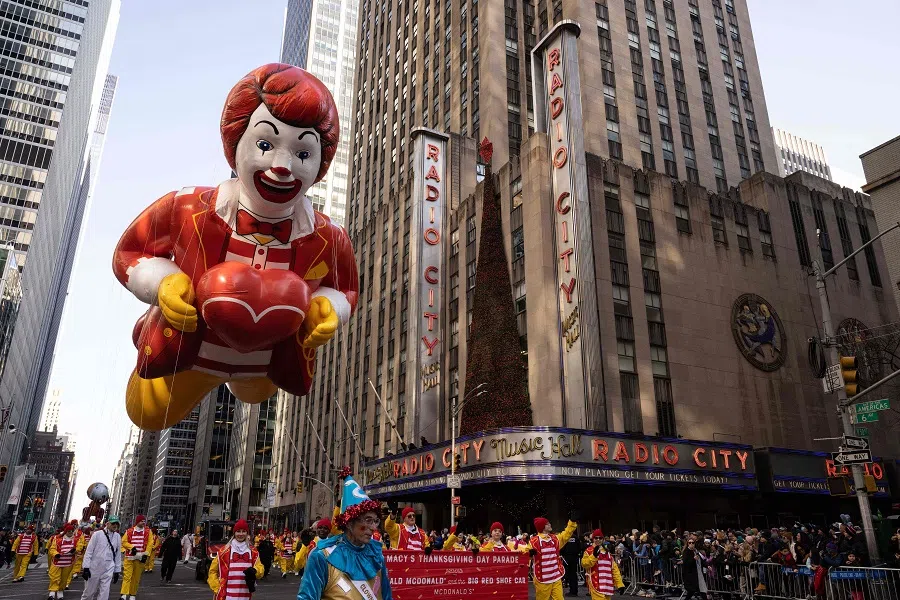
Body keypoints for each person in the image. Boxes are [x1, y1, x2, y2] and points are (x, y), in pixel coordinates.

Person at [112, 63, 358, 432]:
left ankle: (246, 378)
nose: (282, 166)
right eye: (265, 144)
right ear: (235, 143)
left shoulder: (328, 235)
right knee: (144, 412)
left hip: (264, 365)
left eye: (303, 154)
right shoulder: (187, 207)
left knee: (256, 393)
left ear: (320, 163)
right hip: (187, 352)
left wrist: (329, 309)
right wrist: (164, 283)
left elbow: (346, 288)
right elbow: (129, 252)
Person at [297, 467, 392, 599]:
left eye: (375, 521)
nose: (373, 527)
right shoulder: (322, 557)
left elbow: (387, 596)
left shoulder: (377, 556)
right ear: (349, 523)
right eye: (368, 520)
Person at [208, 519, 264, 600]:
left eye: (243, 531)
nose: (241, 534)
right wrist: (218, 588)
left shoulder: (253, 552)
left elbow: (260, 569)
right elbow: (212, 571)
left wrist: (255, 571)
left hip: (245, 595)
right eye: (238, 531)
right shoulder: (223, 551)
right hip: (226, 596)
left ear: (247, 533)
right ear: (234, 533)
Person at [529, 513, 579, 600]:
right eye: (547, 524)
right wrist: (529, 554)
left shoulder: (555, 539)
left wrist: (572, 522)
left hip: (556, 577)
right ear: (542, 527)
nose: (550, 524)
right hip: (542, 579)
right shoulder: (533, 542)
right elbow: (523, 554)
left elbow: (566, 534)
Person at [81, 516, 123, 600]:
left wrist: (117, 571)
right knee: (89, 593)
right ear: (107, 524)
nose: (115, 525)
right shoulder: (97, 534)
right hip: (94, 568)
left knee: (104, 593)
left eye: (117, 524)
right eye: (113, 523)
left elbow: (118, 554)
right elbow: (89, 551)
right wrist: (86, 568)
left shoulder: (118, 536)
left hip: (108, 568)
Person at [581, 530, 624, 600]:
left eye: (600, 538)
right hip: (596, 584)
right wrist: (594, 556)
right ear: (593, 539)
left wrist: (620, 584)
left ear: (603, 539)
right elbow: (584, 564)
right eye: (596, 538)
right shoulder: (588, 551)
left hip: (607, 585)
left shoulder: (607, 553)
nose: (598, 540)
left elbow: (614, 569)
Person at [119, 514, 151, 600]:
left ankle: (133, 594)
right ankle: (124, 594)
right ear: (137, 522)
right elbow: (124, 541)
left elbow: (149, 544)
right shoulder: (129, 531)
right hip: (129, 557)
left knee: (136, 577)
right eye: (141, 521)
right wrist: (131, 547)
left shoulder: (148, 532)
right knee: (127, 576)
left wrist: (146, 554)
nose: (143, 523)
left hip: (141, 557)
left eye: (144, 521)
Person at [48, 523, 79, 600]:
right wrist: (56, 554)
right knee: (54, 577)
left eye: (72, 531)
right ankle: (52, 592)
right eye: (69, 531)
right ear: (65, 531)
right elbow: (52, 549)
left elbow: (79, 549)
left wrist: (75, 551)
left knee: (64, 579)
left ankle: (60, 592)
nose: (70, 532)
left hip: (68, 563)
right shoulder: (58, 540)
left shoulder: (75, 541)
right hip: (57, 562)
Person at [561, 532, 583, 596]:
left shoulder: (565, 537)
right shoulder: (576, 537)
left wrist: (563, 553)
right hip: (574, 558)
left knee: (569, 575)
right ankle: (574, 590)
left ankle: (572, 591)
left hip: (567, 558)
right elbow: (579, 547)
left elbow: (562, 548)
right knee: (574, 574)